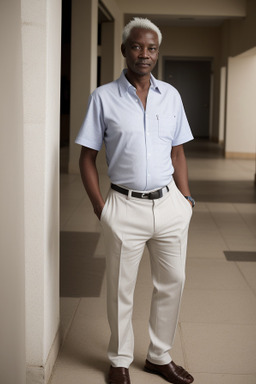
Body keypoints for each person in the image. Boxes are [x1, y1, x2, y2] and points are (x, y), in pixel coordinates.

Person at [75, 17, 195, 384]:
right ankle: (119, 360)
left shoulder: (171, 96)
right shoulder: (103, 97)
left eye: (152, 48)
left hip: (169, 205)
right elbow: (86, 158)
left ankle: (159, 356)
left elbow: (177, 153)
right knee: (120, 288)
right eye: (138, 47)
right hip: (123, 207)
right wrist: (101, 208)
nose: (145, 54)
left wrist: (186, 199)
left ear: (157, 53)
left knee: (172, 281)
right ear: (125, 50)